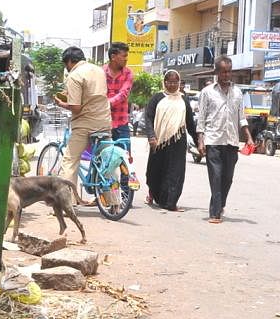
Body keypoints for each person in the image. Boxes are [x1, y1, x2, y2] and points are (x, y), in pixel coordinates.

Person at [195, 56, 251, 223]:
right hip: (213, 139)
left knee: (227, 178)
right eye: (223, 72)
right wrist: (200, 140)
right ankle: (215, 213)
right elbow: (201, 118)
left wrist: (248, 137)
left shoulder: (238, 92)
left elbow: (242, 117)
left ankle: (220, 204)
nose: (227, 75)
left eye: (229, 71)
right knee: (216, 176)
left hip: (232, 141)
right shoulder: (207, 92)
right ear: (216, 72)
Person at [54, 46, 111, 206]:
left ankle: (66, 203)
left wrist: (62, 103)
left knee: (70, 161)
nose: (67, 68)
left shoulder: (74, 75)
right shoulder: (99, 70)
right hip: (104, 121)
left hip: (85, 123)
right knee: (106, 161)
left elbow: (76, 107)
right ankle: (111, 200)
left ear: (70, 61)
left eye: (66, 65)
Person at [144, 70, 197, 211]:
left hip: (178, 141)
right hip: (159, 141)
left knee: (175, 172)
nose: (172, 85)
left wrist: (199, 142)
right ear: (165, 82)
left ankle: (170, 202)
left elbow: (190, 123)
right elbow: (148, 118)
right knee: (155, 171)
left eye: (175, 82)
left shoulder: (184, 100)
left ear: (179, 83)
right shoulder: (157, 98)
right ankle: (154, 193)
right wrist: (151, 136)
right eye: (169, 82)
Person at [104, 42, 134, 151]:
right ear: (113, 57)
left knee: (124, 158)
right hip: (103, 123)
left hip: (121, 123)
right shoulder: (101, 72)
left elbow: (123, 94)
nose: (126, 59)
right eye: (124, 56)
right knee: (101, 159)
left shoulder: (128, 73)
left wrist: (106, 104)